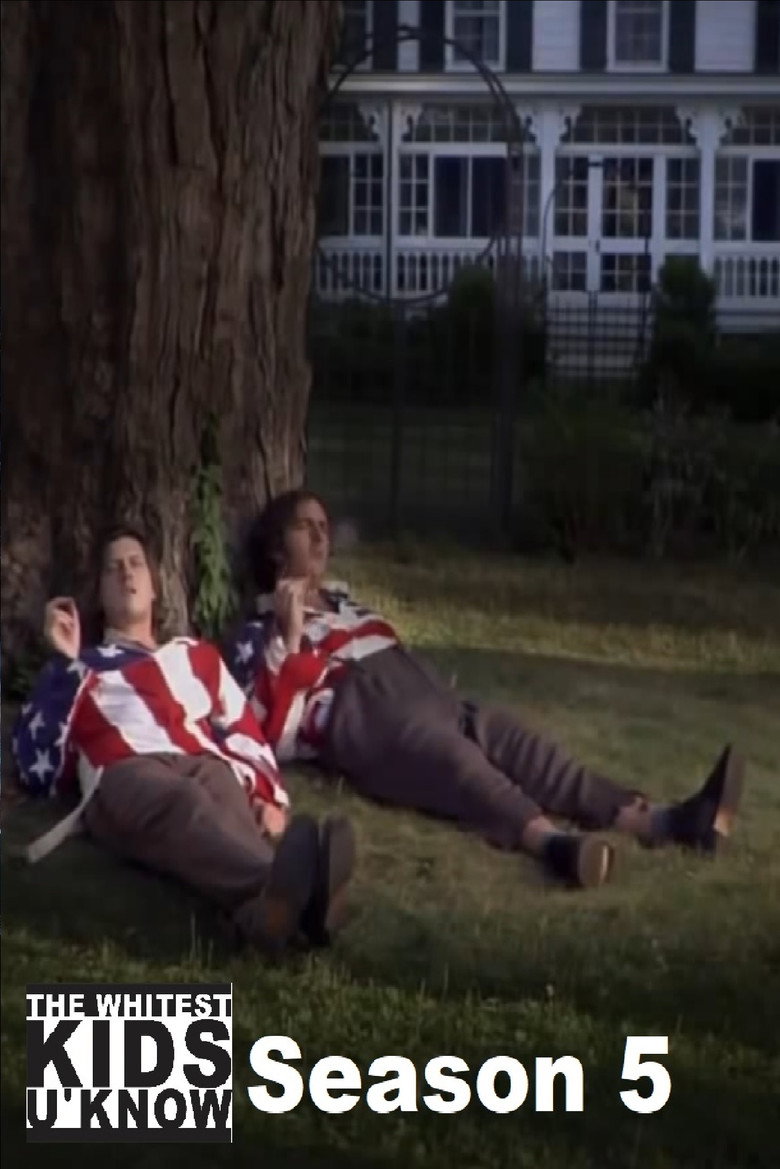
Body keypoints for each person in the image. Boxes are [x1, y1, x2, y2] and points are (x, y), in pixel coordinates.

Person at [225, 490, 746, 890]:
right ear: (276, 548)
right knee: (460, 765)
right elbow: (271, 734)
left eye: (324, 527)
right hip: (367, 716)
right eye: (305, 527)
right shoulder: (257, 631)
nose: (321, 538)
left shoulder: (348, 604)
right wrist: (289, 637)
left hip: (428, 695)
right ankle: (554, 846)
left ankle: (663, 821)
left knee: (522, 744)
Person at [11, 524, 356, 955]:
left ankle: (269, 916)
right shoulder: (82, 667)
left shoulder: (193, 656)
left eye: (136, 564)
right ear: (98, 594)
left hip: (201, 760)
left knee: (223, 794)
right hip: (124, 768)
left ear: (155, 587)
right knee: (184, 802)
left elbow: (242, 728)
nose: (126, 573)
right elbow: (35, 761)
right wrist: (65, 661)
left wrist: (265, 794)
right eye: (113, 568)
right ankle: (294, 895)